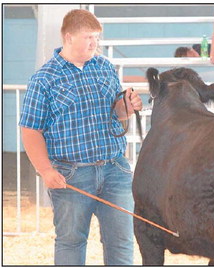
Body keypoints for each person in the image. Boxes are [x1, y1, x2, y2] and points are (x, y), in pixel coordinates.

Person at [19, 9, 142, 265]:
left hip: (114, 168)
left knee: (121, 241)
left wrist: (128, 106)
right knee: (71, 241)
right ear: (68, 37)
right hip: (71, 173)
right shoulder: (44, 79)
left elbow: (116, 113)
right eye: (88, 37)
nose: (94, 43)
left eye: (96, 37)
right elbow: (31, 130)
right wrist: (45, 170)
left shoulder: (105, 66)